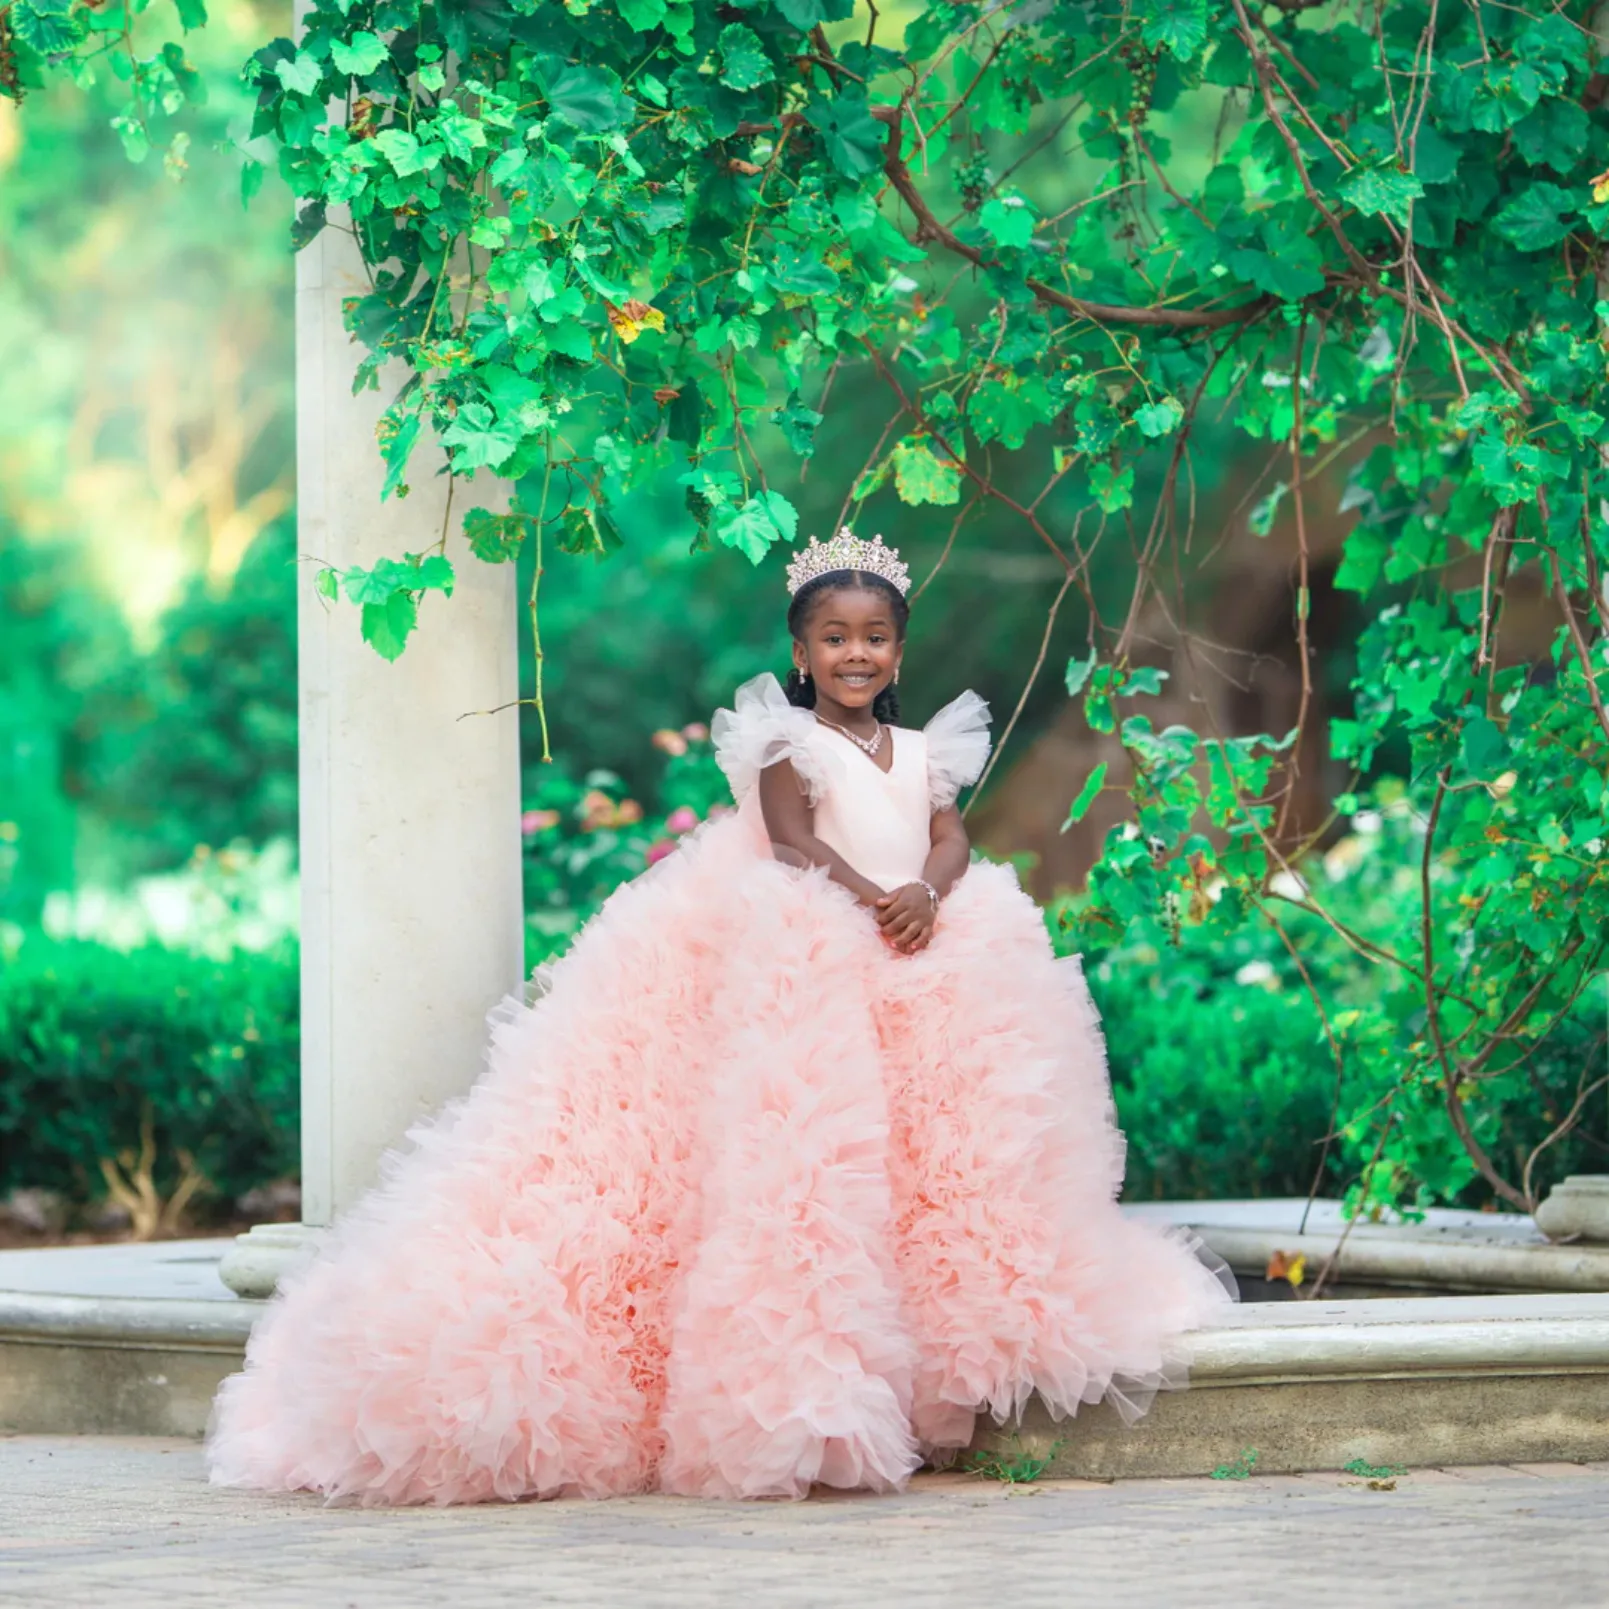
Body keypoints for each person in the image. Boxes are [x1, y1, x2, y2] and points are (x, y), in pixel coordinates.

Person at [207, 527, 1232, 1506]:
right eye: (834, 638)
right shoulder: (787, 741)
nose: (855, 654)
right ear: (801, 649)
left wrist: (925, 887)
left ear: (899, 647)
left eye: (873, 637)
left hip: (916, 947)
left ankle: (924, 1370)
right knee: (807, 1162)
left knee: (932, 1154)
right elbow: (789, 844)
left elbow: (949, 834)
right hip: (816, 948)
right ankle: (798, 1379)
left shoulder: (922, 748)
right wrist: (873, 899)